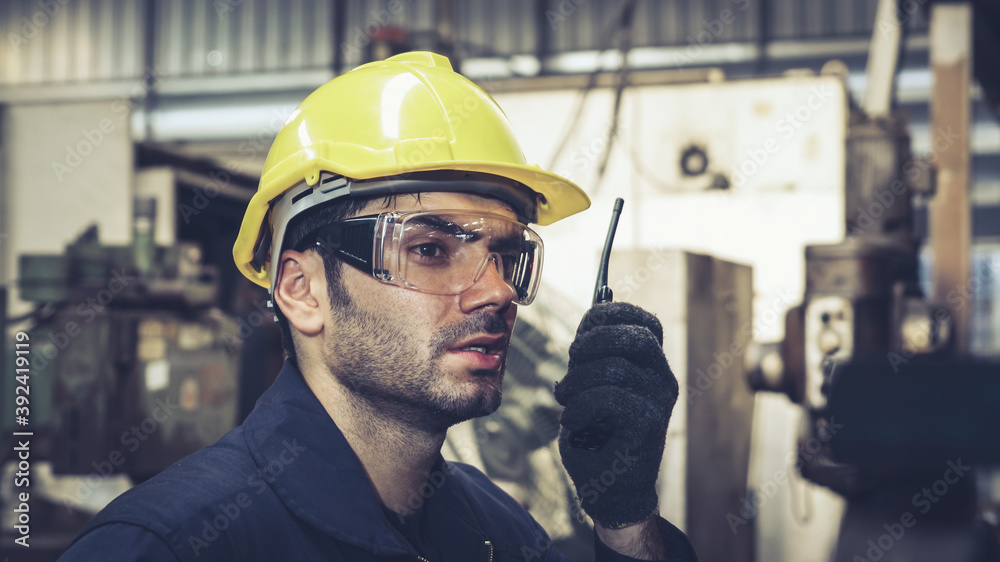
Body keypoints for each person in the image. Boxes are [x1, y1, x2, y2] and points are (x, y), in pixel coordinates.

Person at [59, 51, 696, 562]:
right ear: (302, 291)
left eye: (506, 255)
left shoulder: (496, 530)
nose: (498, 291)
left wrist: (625, 522)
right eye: (429, 248)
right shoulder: (171, 543)